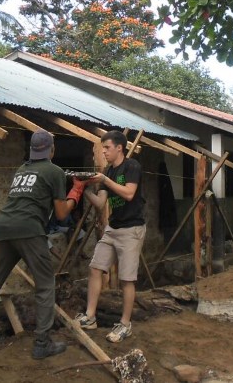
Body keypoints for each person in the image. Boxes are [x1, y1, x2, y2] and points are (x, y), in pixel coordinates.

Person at [0, 130, 87, 361]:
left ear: (31, 150)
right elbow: (61, 214)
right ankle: (42, 343)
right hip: (29, 229)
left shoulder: (22, 170)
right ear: (52, 150)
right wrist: (77, 190)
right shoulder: (55, 171)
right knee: (45, 285)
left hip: (2, 228)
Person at [75, 130, 146, 343]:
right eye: (102, 148)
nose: (104, 152)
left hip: (132, 230)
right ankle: (90, 317)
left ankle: (125, 324)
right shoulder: (108, 171)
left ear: (119, 148)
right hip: (112, 228)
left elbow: (129, 193)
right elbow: (100, 204)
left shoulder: (132, 166)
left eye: (107, 148)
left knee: (126, 279)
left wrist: (105, 179)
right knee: (95, 268)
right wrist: (83, 189)